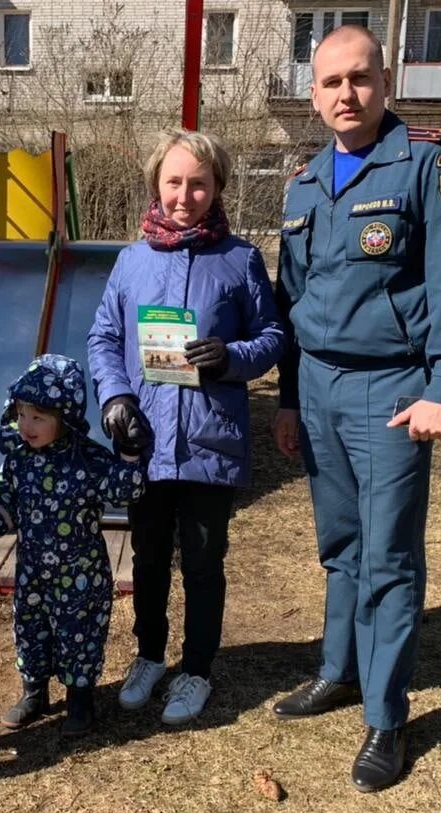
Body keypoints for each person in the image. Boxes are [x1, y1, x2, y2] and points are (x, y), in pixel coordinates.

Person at [271, 26, 441, 792]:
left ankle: (387, 718)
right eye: (331, 82)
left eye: (359, 79)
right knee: (340, 548)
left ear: (385, 81)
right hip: (321, 390)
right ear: (314, 94)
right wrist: (291, 400)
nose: (346, 94)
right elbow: (292, 303)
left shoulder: (430, 162)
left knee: (390, 558)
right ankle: (338, 672)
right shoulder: (302, 185)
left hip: (394, 391)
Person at [87, 129, 284, 725]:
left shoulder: (241, 259)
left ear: (218, 186)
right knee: (147, 558)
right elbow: (105, 338)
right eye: (173, 181)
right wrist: (116, 396)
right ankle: (148, 656)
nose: (184, 194)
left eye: (198, 183)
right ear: (156, 184)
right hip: (144, 442)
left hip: (208, 442)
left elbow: (272, 337)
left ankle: (196, 669)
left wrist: (231, 357)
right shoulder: (132, 260)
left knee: (201, 562)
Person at [0, 354, 148, 737]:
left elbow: (124, 489)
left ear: (64, 418)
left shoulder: (88, 459)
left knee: (78, 632)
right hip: (32, 572)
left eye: (38, 418)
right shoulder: (18, 460)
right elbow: (3, 504)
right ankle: (34, 691)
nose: (26, 426)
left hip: (80, 574)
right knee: (31, 628)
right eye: (21, 415)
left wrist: (129, 453)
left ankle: (80, 698)